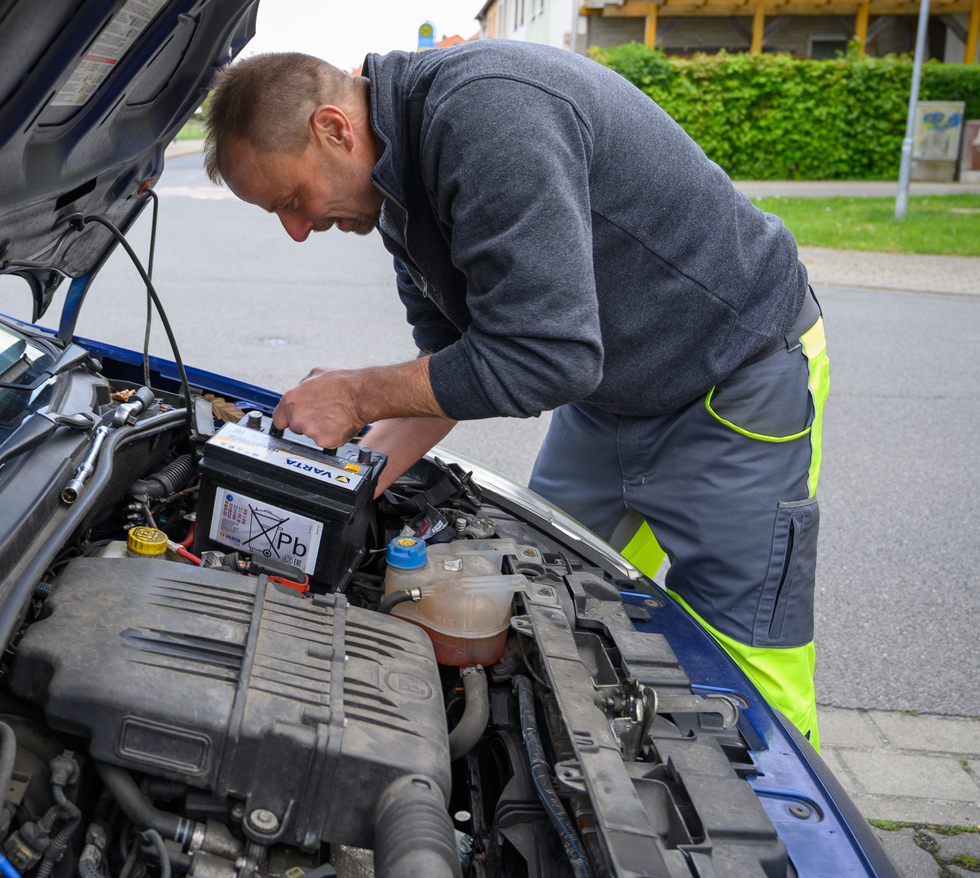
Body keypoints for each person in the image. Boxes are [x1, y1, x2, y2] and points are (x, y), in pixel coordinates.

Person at [202, 43, 829, 746]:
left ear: (335, 130)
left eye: (291, 200)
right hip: (608, 389)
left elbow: (543, 357)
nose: (295, 229)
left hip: (730, 372)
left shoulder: (486, 116)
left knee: (742, 665)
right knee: (550, 592)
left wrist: (355, 396)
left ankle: (791, 842)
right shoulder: (399, 193)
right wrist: (347, 487)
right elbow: (448, 370)